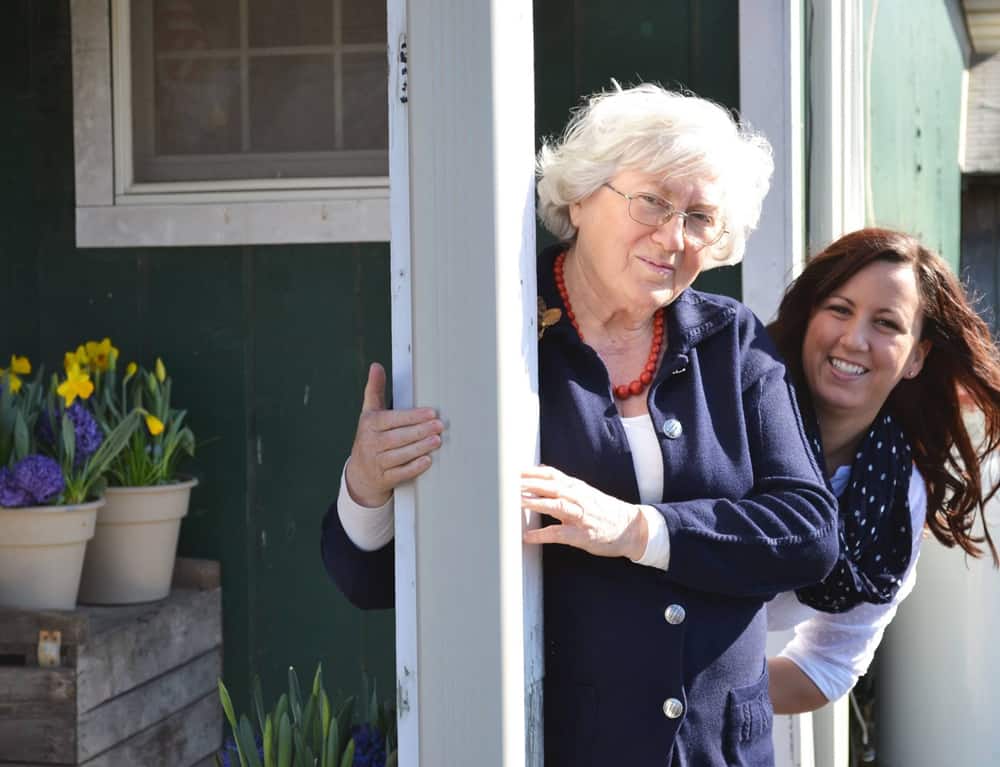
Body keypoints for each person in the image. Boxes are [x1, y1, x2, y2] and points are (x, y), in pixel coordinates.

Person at [321, 83, 841, 765]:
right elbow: (371, 584)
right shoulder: (494, 344)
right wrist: (367, 485)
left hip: (722, 751)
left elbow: (810, 532)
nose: (673, 236)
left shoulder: (731, 341)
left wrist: (636, 530)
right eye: (653, 200)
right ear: (580, 195)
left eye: (699, 217)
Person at [765, 227, 1000, 714]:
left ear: (916, 357)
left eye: (887, 324)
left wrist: (706, 696)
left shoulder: (896, 496)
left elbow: (828, 665)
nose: (854, 339)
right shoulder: (733, 417)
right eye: (839, 309)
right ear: (809, 318)